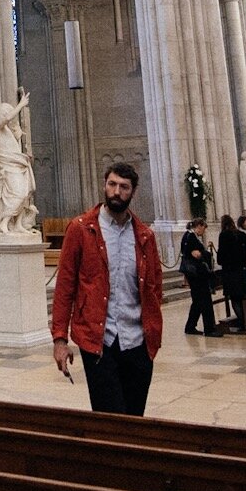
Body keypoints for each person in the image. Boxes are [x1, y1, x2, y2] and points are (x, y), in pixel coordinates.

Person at [49, 162, 164, 415]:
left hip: (137, 341)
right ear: (104, 186)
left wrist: (153, 334)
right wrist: (60, 339)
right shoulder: (81, 229)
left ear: (133, 192)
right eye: (112, 184)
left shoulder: (145, 236)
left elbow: (154, 287)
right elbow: (65, 287)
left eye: (124, 187)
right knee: (108, 418)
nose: (116, 192)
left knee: (134, 416)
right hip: (99, 340)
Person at [178, 217, 219, 336]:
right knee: (205, 299)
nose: (203, 232)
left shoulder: (191, 236)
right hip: (196, 274)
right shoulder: (190, 237)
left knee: (197, 301)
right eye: (203, 228)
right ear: (199, 226)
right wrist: (204, 254)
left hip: (196, 274)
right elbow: (196, 254)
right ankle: (209, 329)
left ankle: (190, 326)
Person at [218, 214, 246, 332]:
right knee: (245, 297)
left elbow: (221, 256)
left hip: (230, 272)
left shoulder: (223, 235)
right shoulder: (242, 235)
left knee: (234, 299)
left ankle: (243, 323)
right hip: (243, 271)